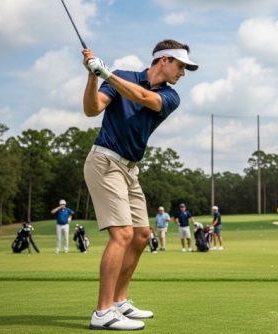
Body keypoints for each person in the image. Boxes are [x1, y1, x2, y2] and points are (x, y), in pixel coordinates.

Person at [82, 39, 198, 330]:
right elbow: (92, 109)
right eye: (181, 66)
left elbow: (147, 99)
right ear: (163, 60)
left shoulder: (171, 97)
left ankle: (119, 301)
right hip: (105, 162)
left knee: (142, 235)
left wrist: (107, 74)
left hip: (131, 169)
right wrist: (91, 76)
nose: (182, 73)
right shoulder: (123, 76)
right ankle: (103, 312)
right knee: (121, 235)